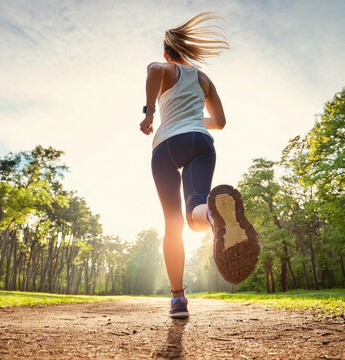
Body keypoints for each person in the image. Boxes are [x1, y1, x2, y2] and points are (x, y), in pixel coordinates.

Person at [139, 12, 259, 319]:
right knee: (196, 206)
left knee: (173, 224)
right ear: (187, 51)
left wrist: (150, 112)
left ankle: (178, 299)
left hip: (167, 145)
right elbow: (219, 122)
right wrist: (194, 122)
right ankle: (214, 216)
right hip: (201, 141)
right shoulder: (204, 79)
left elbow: (152, 69)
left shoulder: (165, 67)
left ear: (168, 52)